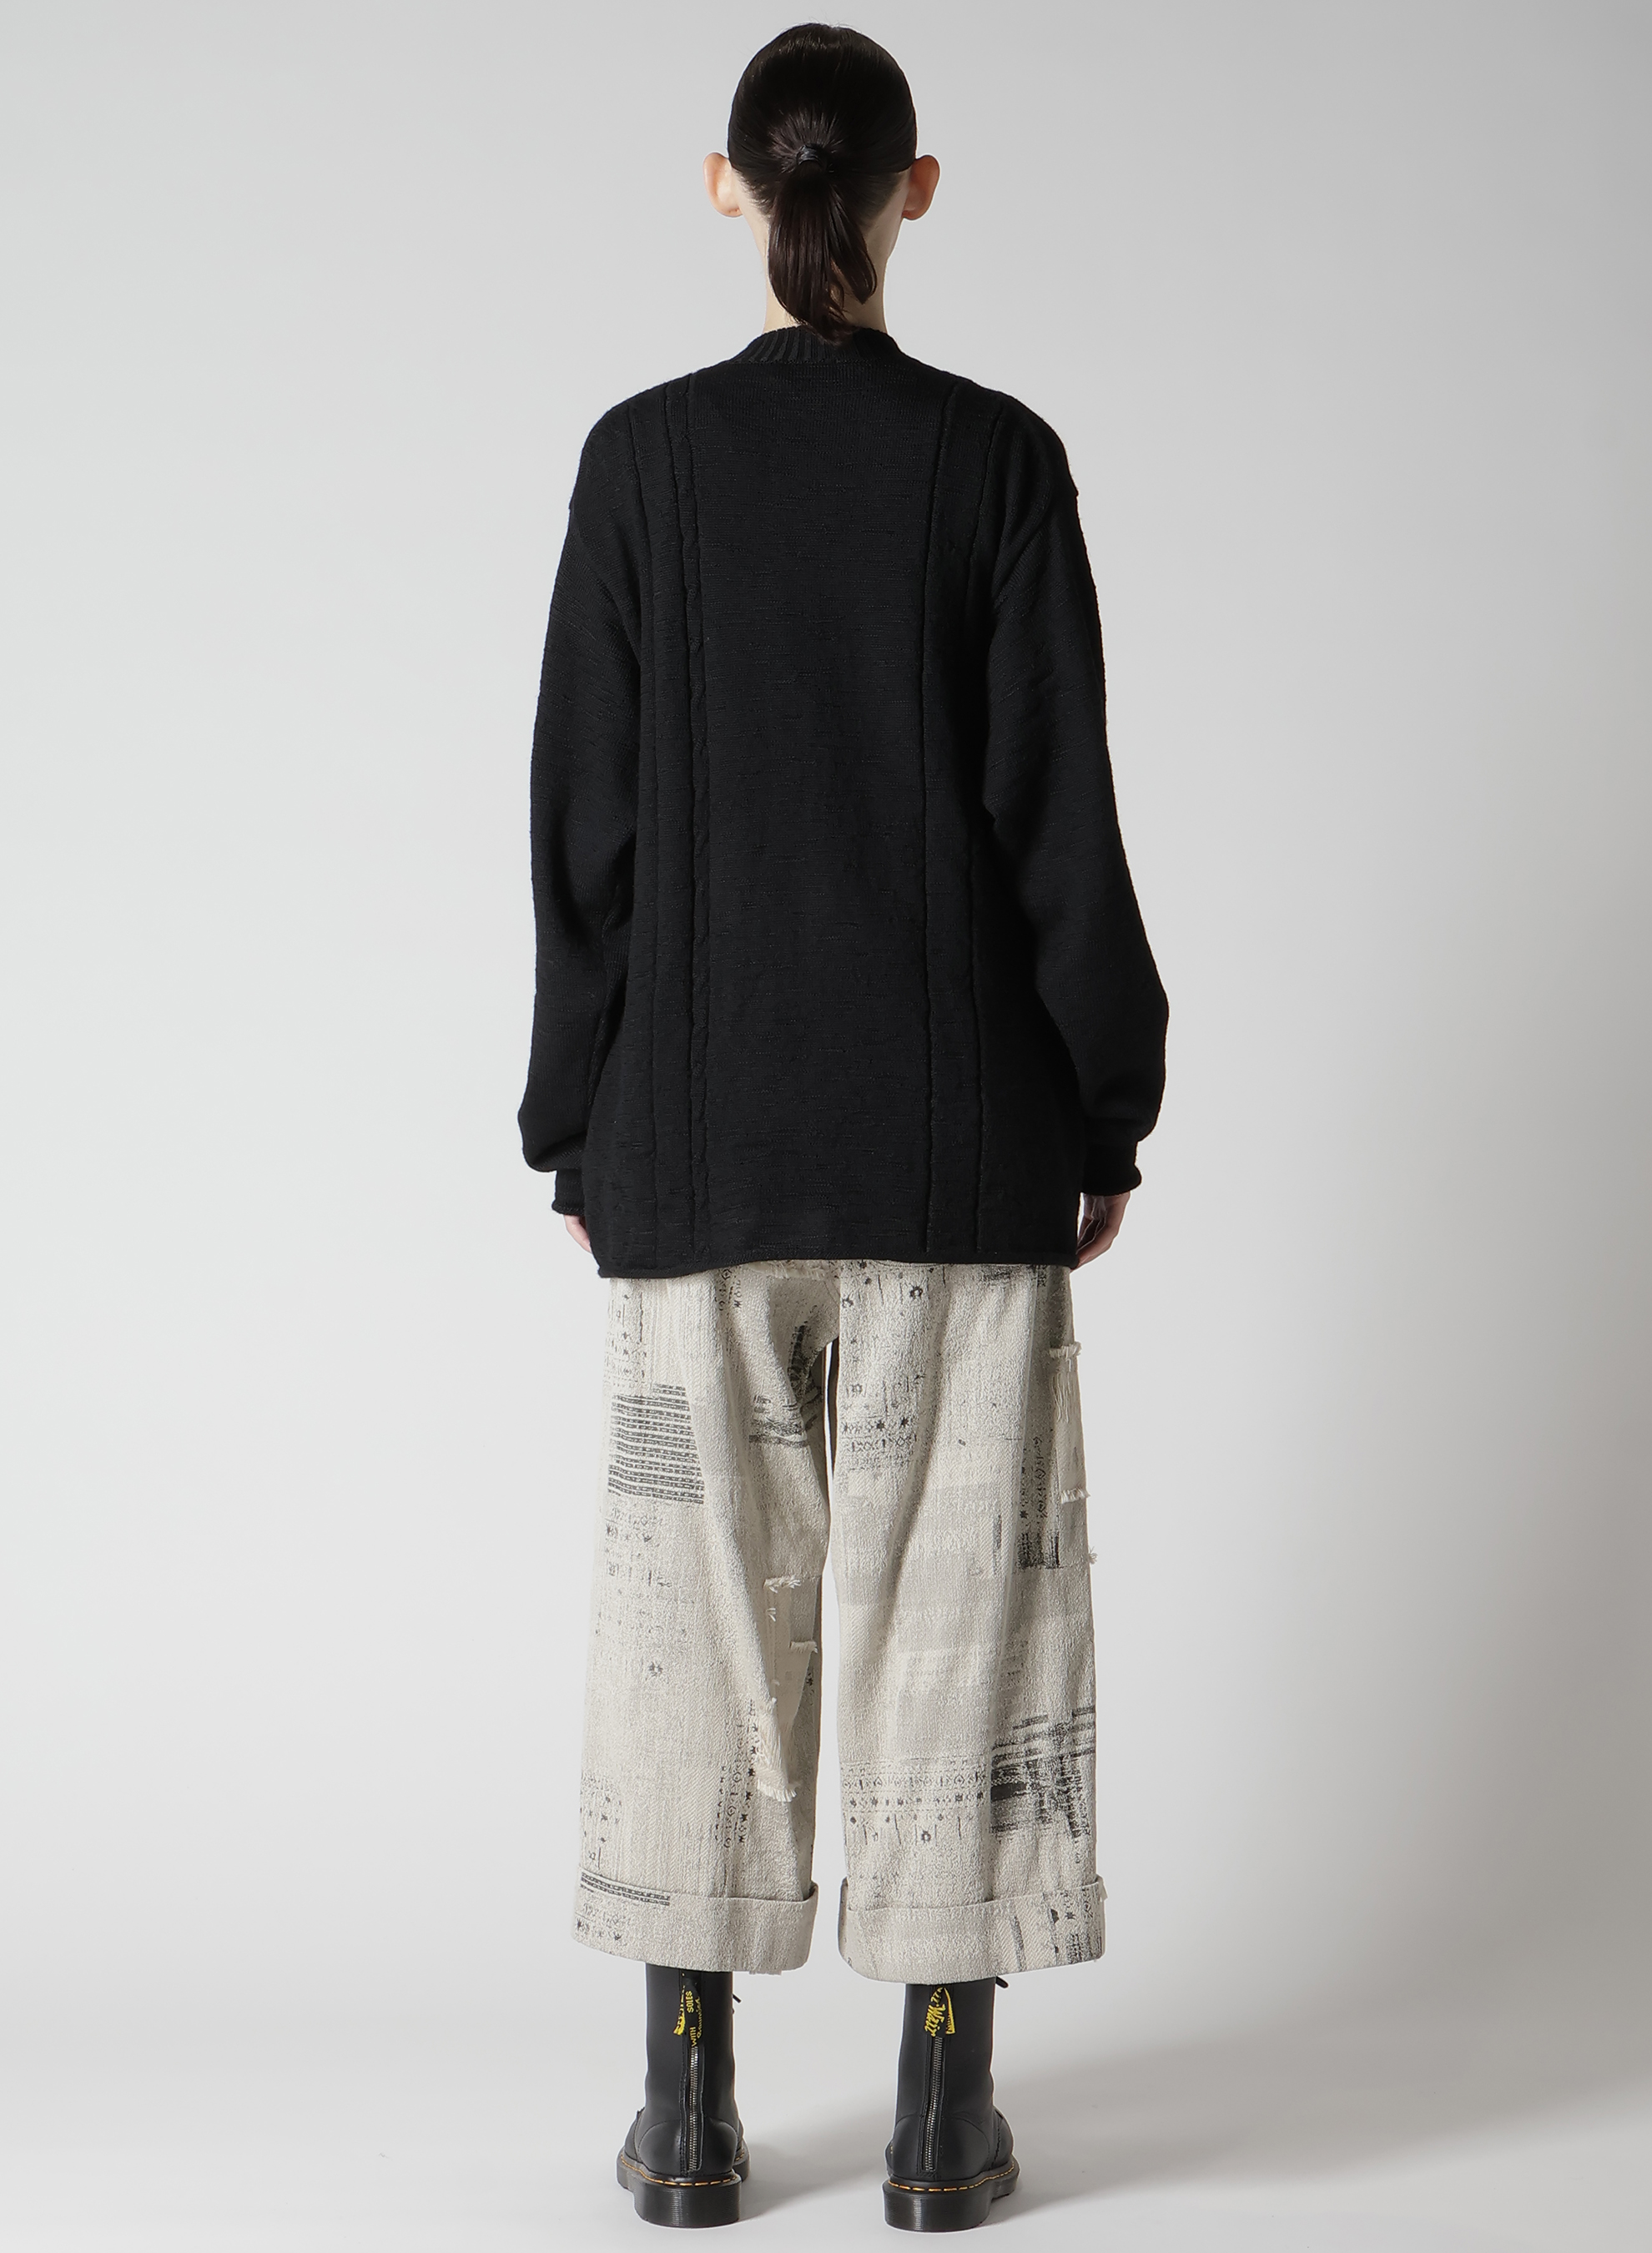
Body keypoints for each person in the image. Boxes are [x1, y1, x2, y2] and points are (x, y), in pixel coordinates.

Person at [518, 21, 1168, 2231]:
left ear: (727, 187)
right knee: (957, 1619)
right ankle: (939, 2120)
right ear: (915, 190)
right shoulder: (996, 462)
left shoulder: (641, 464)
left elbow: (585, 832)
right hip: (958, 1156)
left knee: (695, 1614)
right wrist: (1101, 1109)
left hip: (695, 1150)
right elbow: (1056, 825)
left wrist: (575, 1119)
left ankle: (689, 2113)